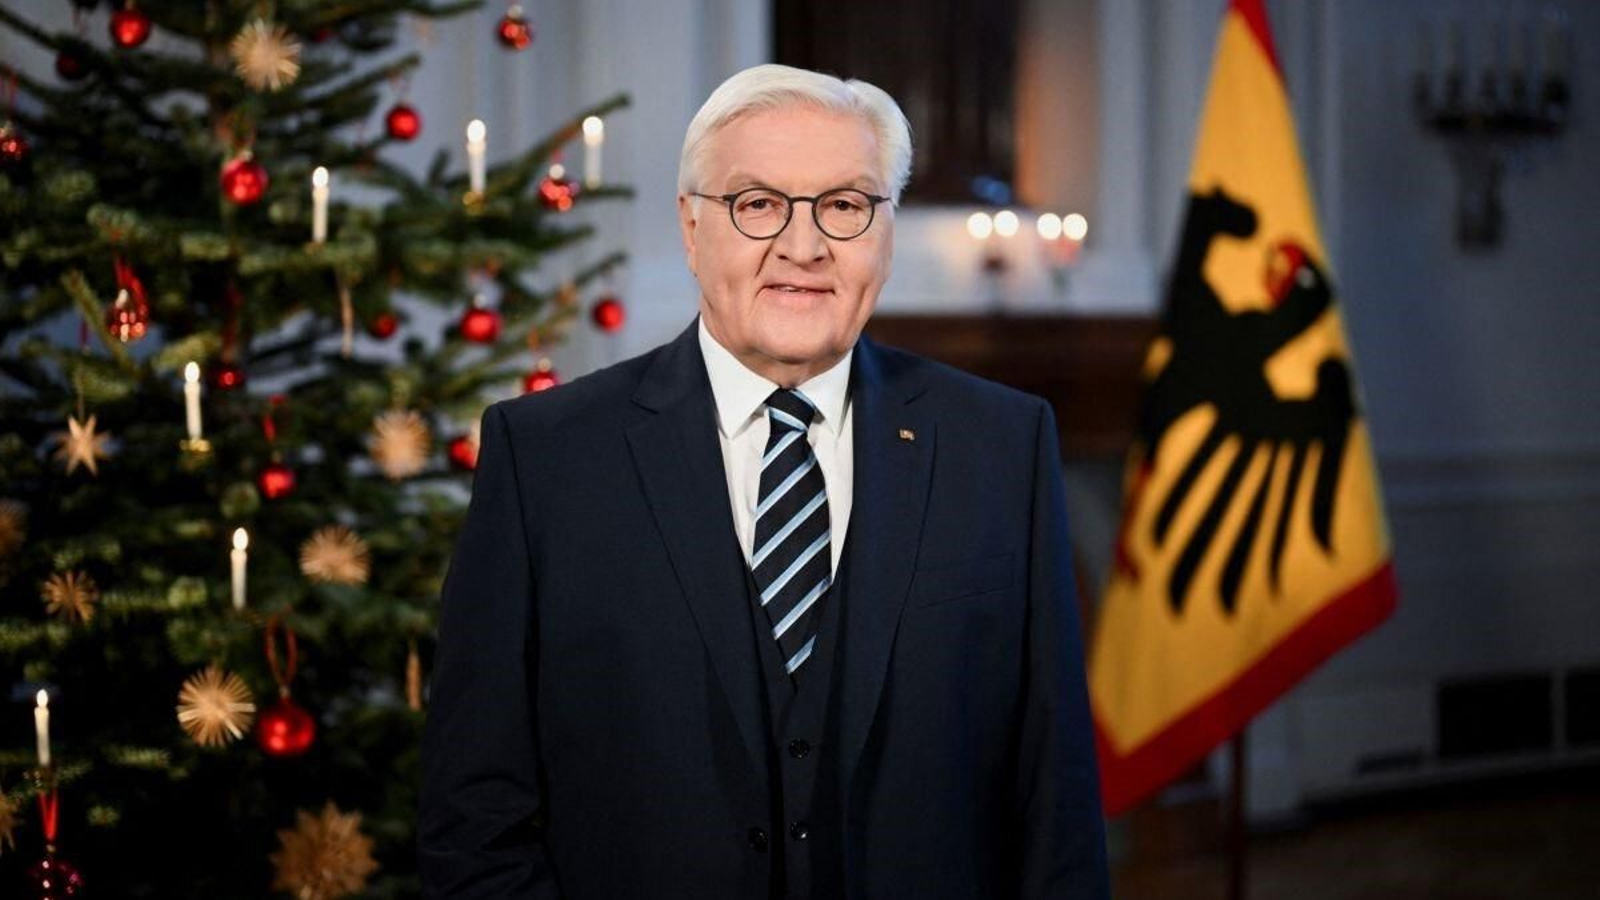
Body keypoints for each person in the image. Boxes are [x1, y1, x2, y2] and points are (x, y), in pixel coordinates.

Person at [419, 63, 1109, 899]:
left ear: (885, 232)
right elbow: (475, 816)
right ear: (691, 226)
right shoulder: (547, 458)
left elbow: (1055, 795)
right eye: (758, 204)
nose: (804, 246)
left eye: (845, 206)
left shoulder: (1001, 444)